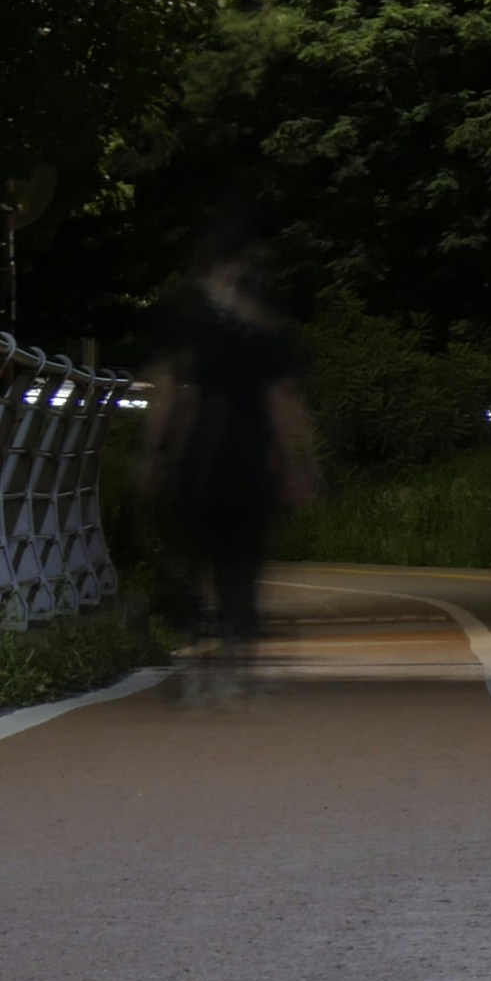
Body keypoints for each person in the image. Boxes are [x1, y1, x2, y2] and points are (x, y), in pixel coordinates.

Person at [144, 234, 319, 695]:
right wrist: (299, 463)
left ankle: (209, 624)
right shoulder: (267, 336)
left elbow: (173, 397)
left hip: (205, 454)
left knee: (208, 544)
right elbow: (285, 401)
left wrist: (157, 456)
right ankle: (238, 630)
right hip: (250, 454)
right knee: (244, 548)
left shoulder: (199, 332)